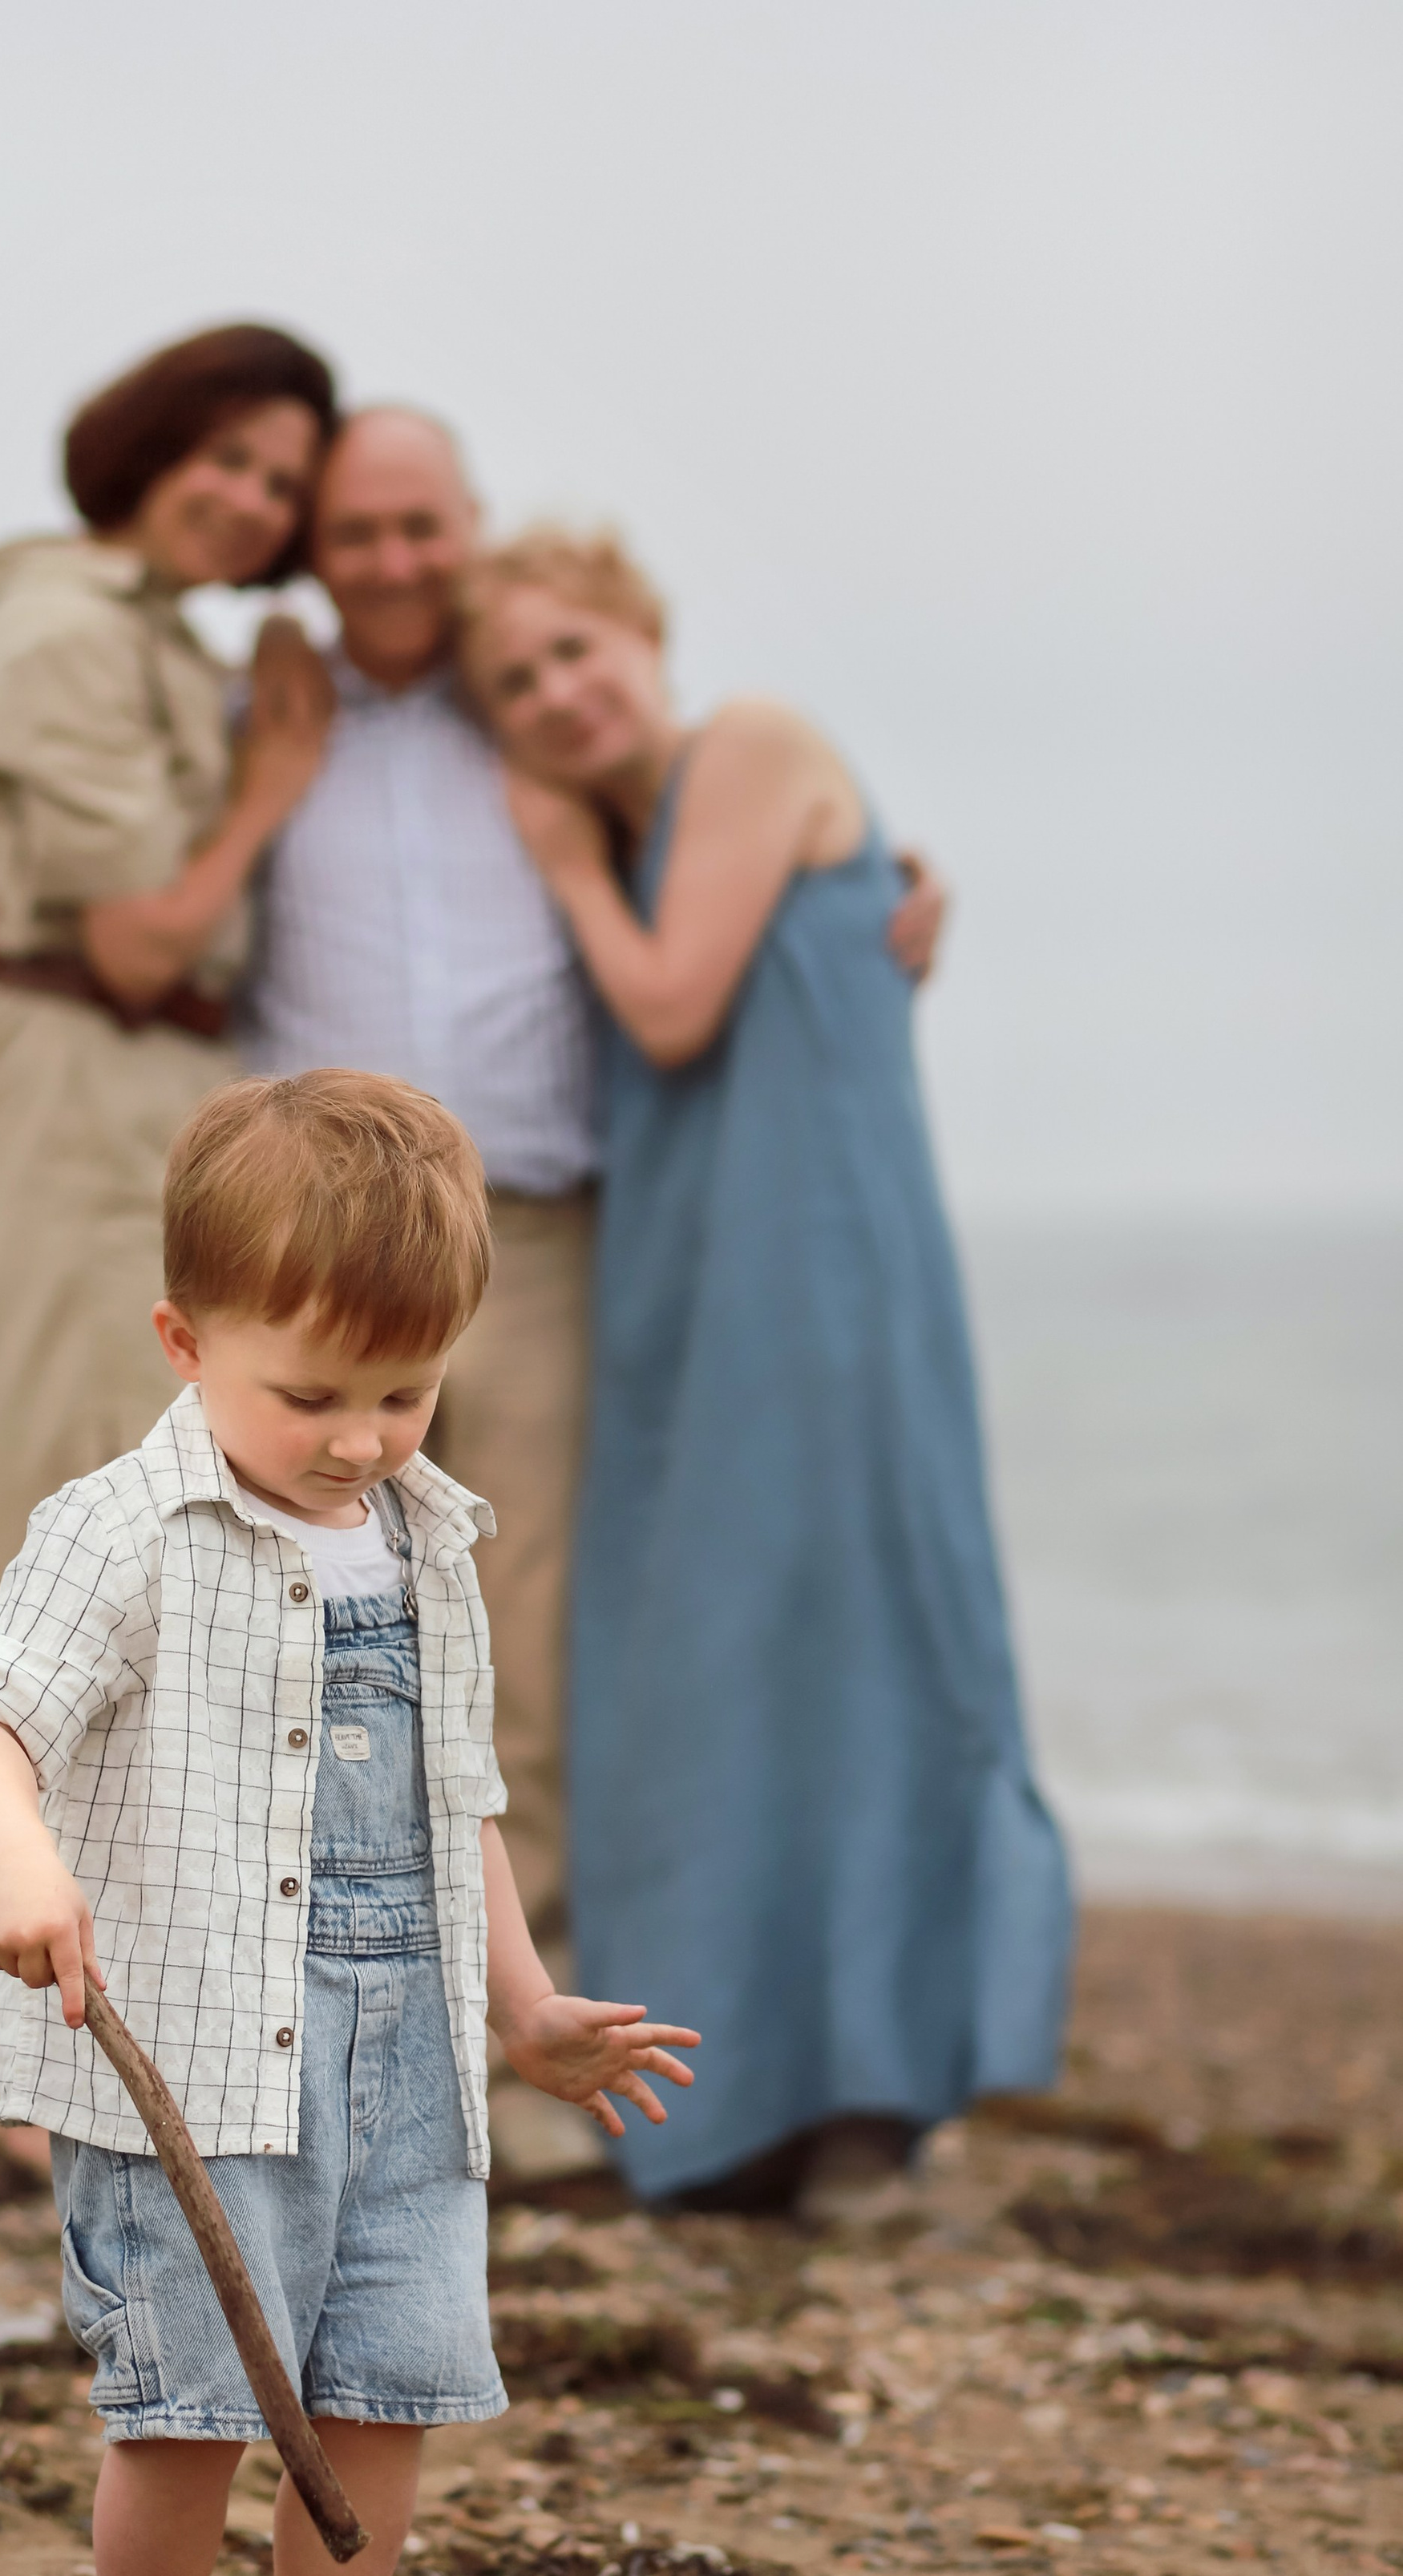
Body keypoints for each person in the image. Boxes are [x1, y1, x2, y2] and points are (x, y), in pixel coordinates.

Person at [0, 408, 947, 2154]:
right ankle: (126, 2037)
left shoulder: (540, 720)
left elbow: (718, 824)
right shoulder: (260, 714)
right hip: (300, 1252)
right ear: (316, 548)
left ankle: (485, 2059)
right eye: (359, 531)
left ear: (465, 536)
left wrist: (886, 881)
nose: (392, 563)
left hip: (521, 1236)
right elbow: (106, 873)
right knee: (205, 1629)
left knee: (491, 1636)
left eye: (424, 531)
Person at [0, 1071, 696, 2576]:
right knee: (192, 2399)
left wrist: (519, 2006)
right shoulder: (119, 1530)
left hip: (405, 2041)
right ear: (181, 1338)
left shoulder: (429, 1539)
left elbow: (457, 1804)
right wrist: (15, 1864)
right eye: (311, 1395)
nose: (359, 1438)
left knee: (389, 2381)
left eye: (405, 1392)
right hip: (195, 2045)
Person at [459, 528, 1073, 2225]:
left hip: (815, 1276)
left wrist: (560, 858)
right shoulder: (643, 816)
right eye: (513, 685)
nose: (555, 694)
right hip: (677, 1274)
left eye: (576, 650)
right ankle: (732, 2101)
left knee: (858, 1649)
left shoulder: (746, 748)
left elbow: (667, 1008)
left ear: (643, 633)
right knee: (701, 1675)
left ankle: (875, 2097)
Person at [0, 322, 338, 2169]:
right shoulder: (73, 622)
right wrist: (270, 782)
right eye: (224, 456)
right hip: (65, 1098)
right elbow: (150, 943)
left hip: (126, 1097)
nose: (245, 500)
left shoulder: (150, 633)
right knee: (48, 1527)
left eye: (277, 484)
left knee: (125, 1534)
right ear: (146, 442)